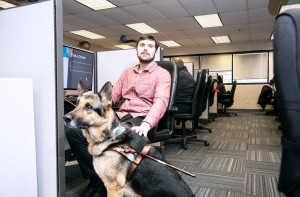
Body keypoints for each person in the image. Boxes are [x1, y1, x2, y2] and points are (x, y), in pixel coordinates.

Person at [66, 34, 171, 197]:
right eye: (142, 45)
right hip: (121, 117)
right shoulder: (127, 72)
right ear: (136, 50)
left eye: (150, 46)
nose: (145, 48)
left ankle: (125, 184)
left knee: (125, 140)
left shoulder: (162, 74)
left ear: (155, 52)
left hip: (142, 119)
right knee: (73, 132)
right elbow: (111, 98)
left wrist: (146, 124)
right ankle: (96, 177)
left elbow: (161, 102)